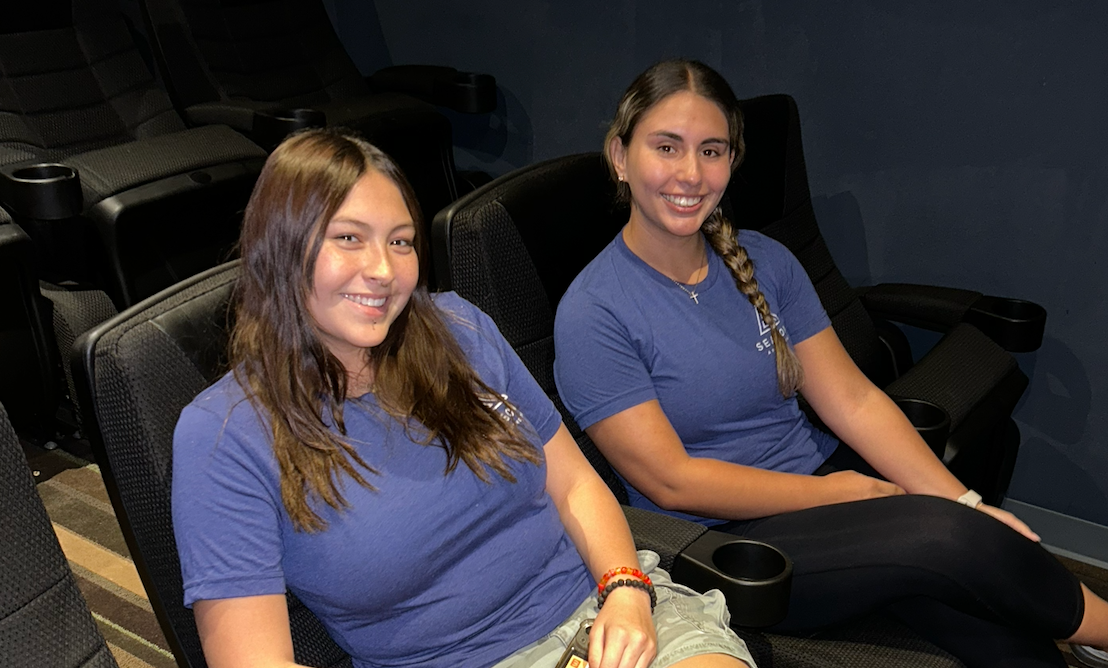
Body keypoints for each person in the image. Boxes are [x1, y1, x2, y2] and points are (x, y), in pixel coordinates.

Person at [552, 59, 1108, 668]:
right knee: (945, 540)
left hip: (821, 489)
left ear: (731, 162)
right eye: (667, 146)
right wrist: (841, 493)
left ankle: (1088, 641)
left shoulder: (765, 261)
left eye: (711, 150)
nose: (691, 173)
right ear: (620, 157)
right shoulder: (594, 311)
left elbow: (851, 399)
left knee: (1000, 628)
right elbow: (672, 482)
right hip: (723, 543)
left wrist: (964, 499)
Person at [170, 129, 756, 668]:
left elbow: (574, 483)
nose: (382, 269)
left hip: (602, 611)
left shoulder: (459, 329)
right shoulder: (225, 437)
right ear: (281, 248)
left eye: (401, 242)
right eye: (348, 238)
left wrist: (626, 589)